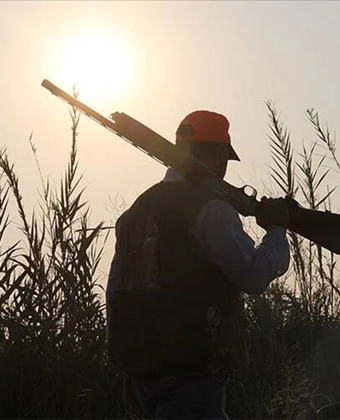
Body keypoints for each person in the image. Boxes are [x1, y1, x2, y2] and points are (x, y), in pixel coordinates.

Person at [106, 110, 291, 419]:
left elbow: (116, 294)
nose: (223, 169)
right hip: (192, 374)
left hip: (143, 374)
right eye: (223, 159)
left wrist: (130, 370)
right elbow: (254, 276)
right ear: (216, 156)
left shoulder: (135, 211)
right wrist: (276, 229)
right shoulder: (211, 208)